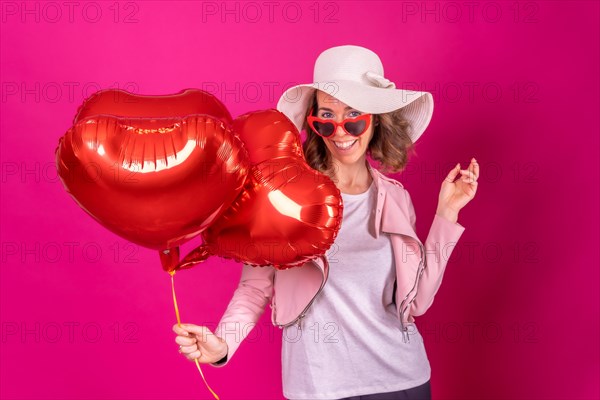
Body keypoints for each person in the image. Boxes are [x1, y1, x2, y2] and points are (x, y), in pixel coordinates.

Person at [173, 45, 479, 400]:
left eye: (354, 117)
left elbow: (417, 301)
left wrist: (447, 214)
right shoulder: (284, 197)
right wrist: (223, 344)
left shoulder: (396, 199)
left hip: (401, 381)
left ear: (375, 119)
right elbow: (255, 288)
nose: (340, 131)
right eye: (326, 117)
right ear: (313, 124)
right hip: (318, 387)